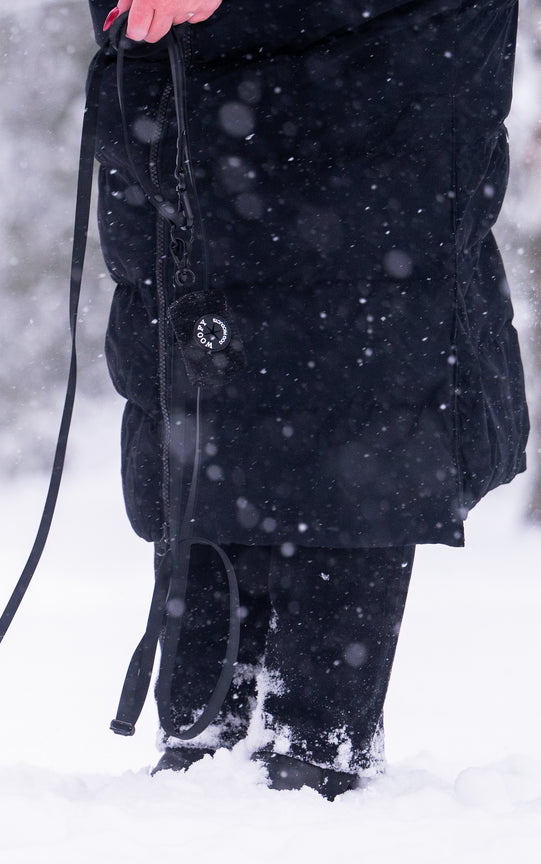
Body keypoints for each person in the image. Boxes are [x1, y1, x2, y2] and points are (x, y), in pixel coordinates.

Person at [88, 0, 529, 796]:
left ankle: (311, 736)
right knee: (208, 383)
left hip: (368, 97)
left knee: (350, 390)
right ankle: (210, 726)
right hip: (193, 99)